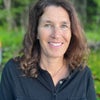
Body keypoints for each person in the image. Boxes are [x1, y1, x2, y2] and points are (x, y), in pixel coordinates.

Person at [0, 0, 97, 100]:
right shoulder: (14, 71)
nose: (56, 34)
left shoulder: (83, 75)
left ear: (71, 32)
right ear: (36, 32)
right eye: (48, 25)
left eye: (63, 26)